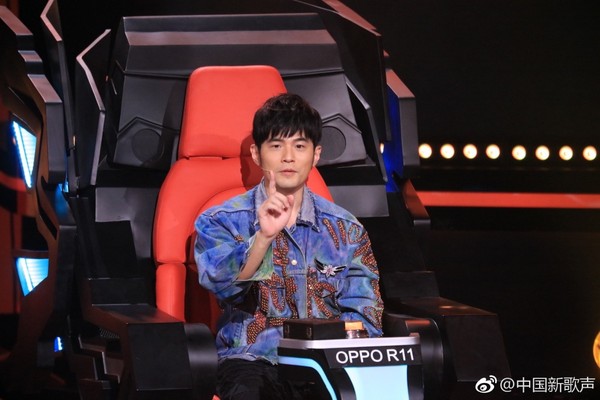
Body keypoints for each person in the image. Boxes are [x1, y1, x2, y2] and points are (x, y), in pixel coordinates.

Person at [194, 93, 384, 400]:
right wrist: (263, 237)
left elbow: (366, 314)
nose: (288, 157)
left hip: (328, 361)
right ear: (256, 154)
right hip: (252, 359)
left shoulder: (347, 229)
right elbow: (222, 286)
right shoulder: (220, 221)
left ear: (316, 154)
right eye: (276, 145)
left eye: (299, 146)